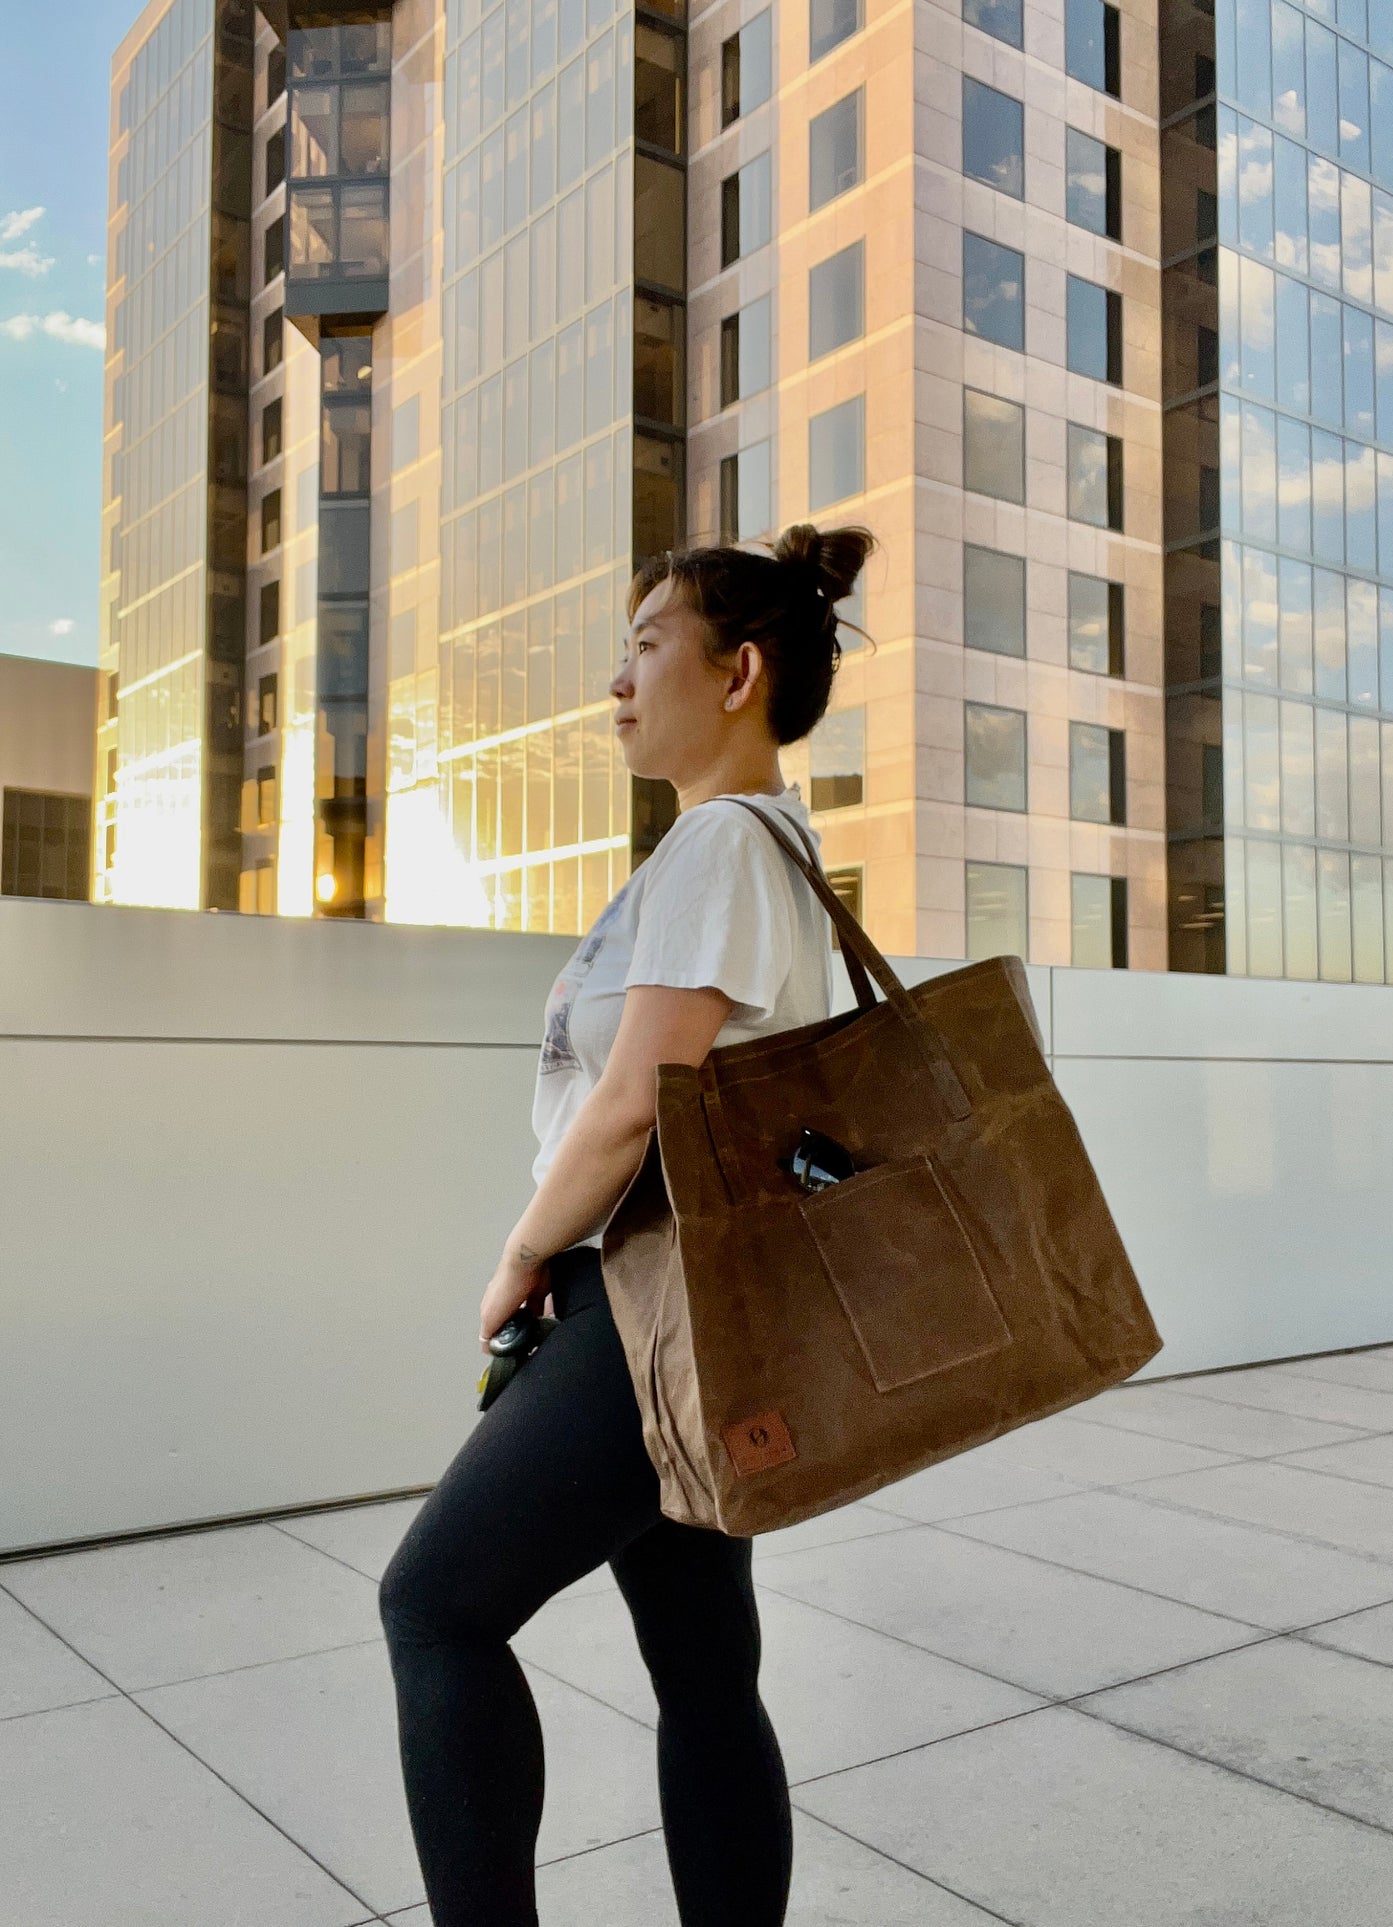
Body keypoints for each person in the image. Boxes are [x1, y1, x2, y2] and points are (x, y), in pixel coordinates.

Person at [378, 521, 876, 1927]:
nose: (617, 681)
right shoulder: (757, 848)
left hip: (648, 1300)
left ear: (738, 675)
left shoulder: (723, 843)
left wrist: (522, 1256)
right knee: (705, 1671)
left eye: (645, 645)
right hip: (703, 1304)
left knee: (435, 1609)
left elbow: (629, 1106)